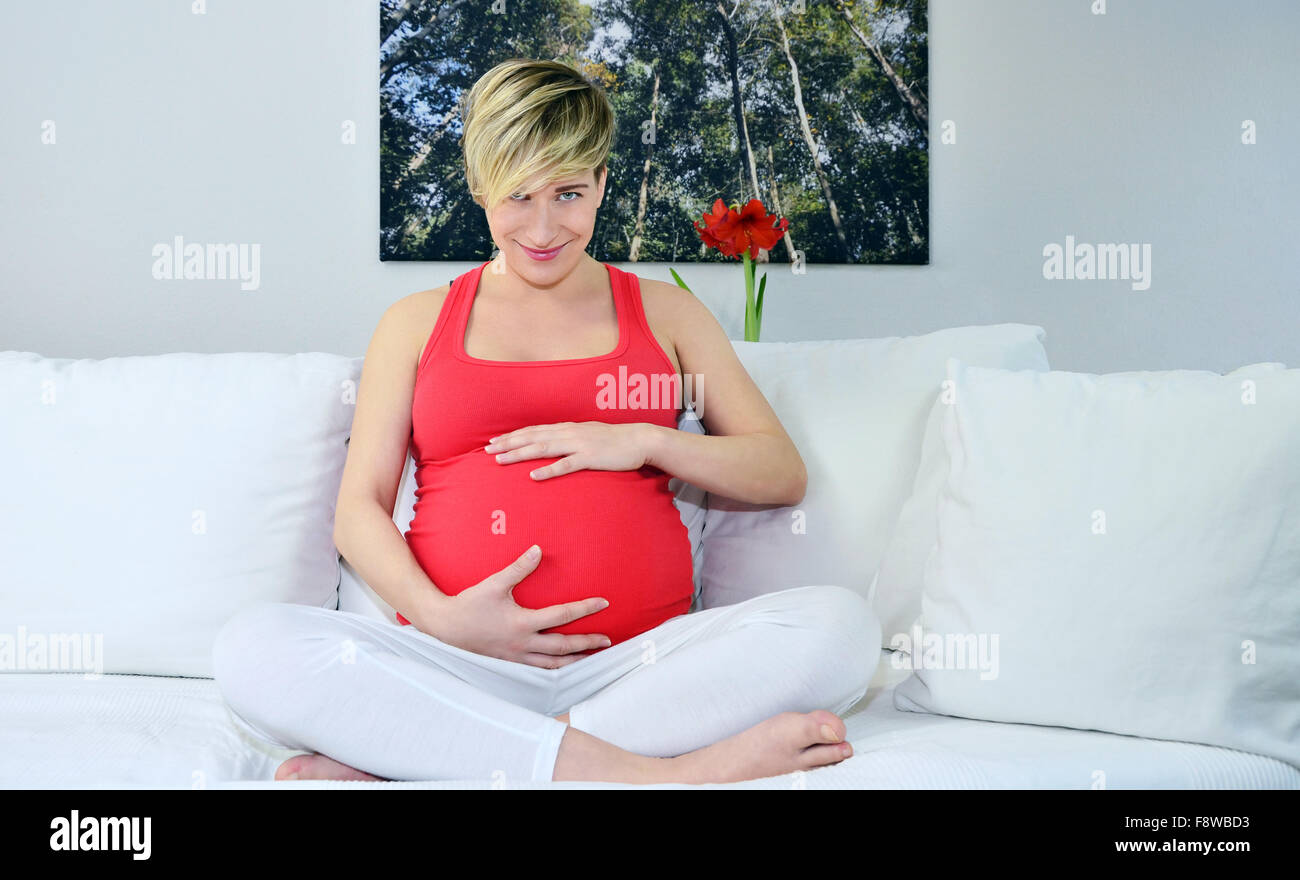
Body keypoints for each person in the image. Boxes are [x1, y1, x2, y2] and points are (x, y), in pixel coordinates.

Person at [212, 58, 881, 785]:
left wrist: (643, 440)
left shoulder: (668, 313)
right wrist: (444, 620)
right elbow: (357, 511)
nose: (541, 227)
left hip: (640, 673)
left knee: (843, 630)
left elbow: (779, 472)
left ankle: (447, 757)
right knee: (253, 647)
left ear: (601, 182)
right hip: (455, 664)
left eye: (568, 193)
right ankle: (664, 776)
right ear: (479, 190)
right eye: (517, 196)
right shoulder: (413, 324)